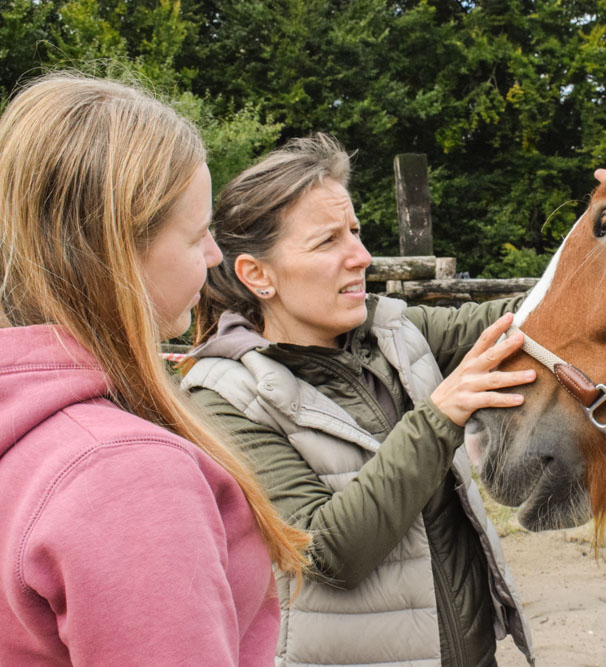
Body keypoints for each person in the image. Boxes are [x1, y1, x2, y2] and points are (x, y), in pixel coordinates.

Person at [183, 133, 536, 667]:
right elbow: (328, 554)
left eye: (355, 232)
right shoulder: (226, 397)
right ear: (258, 276)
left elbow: (521, 319)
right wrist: (439, 418)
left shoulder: (392, 331)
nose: (362, 256)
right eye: (328, 242)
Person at [0, 74, 311, 665]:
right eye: (196, 236)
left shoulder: (26, 429)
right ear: (121, 249)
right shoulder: (124, 478)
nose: (215, 255)